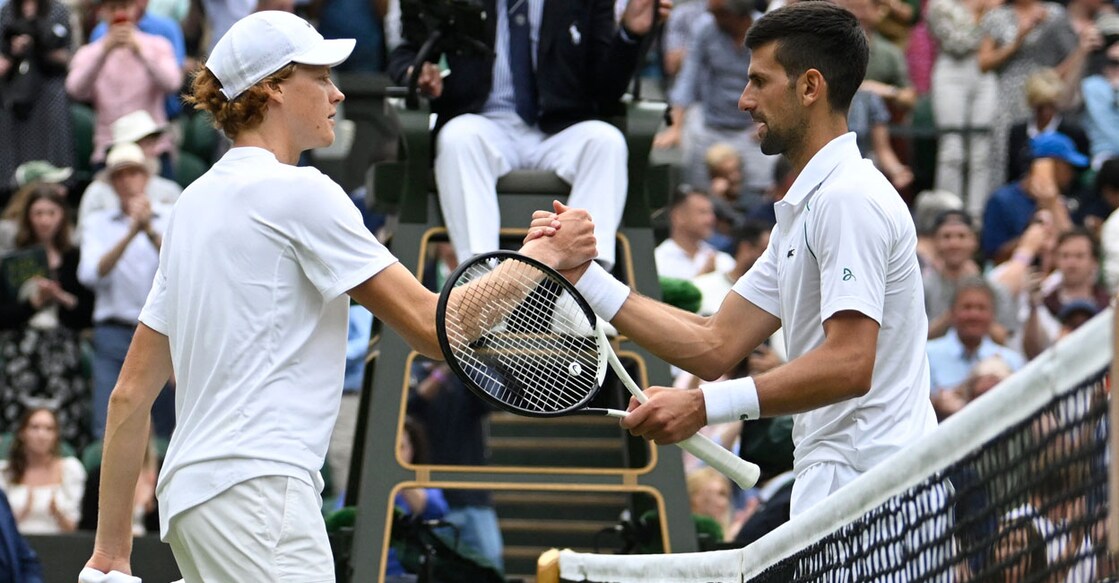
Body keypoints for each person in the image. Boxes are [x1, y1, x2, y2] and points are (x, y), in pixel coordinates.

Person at [80, 11, 596, 582]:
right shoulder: (302, 193)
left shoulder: (190, 206)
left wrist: (111, 555)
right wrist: (540, 260)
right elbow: (431, 327)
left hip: (192, 501)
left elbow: (129, 396)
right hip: (259, 493)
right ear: (274, 86)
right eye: (321, 77)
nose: (338, 91)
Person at [531, 0, 937, 517]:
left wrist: (702, 406)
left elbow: (851, 364)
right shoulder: (810, 209)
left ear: (810, 87)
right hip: (845, 485)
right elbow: (713, 344)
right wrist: (582, 277)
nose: (744, 100)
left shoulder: (847, 199)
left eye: (759, 82)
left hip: (875, 490)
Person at [388, 0, 668, 269]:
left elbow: (606, 91)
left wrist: (630, 34)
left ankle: (583, 286)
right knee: (458, 137)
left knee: (607, 142)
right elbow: (408, 52)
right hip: (485, 123)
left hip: (560, 128)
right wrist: (417, 71)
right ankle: (480, 281)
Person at [77, 141, 174, 441]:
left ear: (146, 177)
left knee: (165, 424)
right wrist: (131, 233)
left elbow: (183, 267)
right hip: (113, 332)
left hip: (160, 329)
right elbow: (89, 274)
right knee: (107, 424)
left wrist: (147, 231)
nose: (127, 180)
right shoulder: (98, 222)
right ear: (112, 183)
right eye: (119, 175)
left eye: (133, 173)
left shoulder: (171, 215)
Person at [0, 186, 94, 450]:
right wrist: (32, 304)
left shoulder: (73, 257)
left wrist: (61, 298)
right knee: (20, 416)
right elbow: (4, 315)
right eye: (38, 213)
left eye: (51, 213)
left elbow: (87, 313)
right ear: (28, 217)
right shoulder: (14, 259)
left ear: (62, 216)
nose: (44, 219)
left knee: (66, 415)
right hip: (22, 349)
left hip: (62, 348)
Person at [64, 0, 181, 174]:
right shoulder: (89, 52)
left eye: (125, 7)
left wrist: (141, 50)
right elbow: (75, 90)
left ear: (136, 9)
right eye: (112, 8)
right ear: (103, 12)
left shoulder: (158, 45)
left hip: (152, 149)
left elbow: (172, 83)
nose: (119, 14)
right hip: (109, 148)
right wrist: (103, 51)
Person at [0, 0, 75, 195]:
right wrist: (13, 50)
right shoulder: (7, 11)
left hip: (49, 91)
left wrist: (41, 43)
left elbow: (68, 57)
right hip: (15, 94)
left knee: (52, 147)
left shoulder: (58, 10)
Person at [0, 407, 86, 534]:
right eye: (35, 427)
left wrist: (57, 514)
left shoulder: (71, 469)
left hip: (60, 547)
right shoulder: (4, 472)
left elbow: (73, 528)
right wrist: (20, 515)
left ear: (56, 435)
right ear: (22, 433)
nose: (42, 435)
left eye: (49, 429)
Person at [654, 190, 735, 280]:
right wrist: (703, 278)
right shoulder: (656, 261)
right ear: (678, 216)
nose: (711, 219)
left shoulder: (723, 260)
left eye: (711, 213)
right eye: (703, 212)